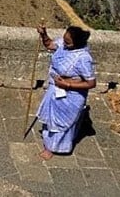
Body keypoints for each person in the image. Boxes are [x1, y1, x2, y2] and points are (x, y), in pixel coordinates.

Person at [35, 24, 96, 160]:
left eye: (68, 42)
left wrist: (66, 84)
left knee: (62, 122)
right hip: (55, 86)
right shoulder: (63, 44)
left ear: (77, 43)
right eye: (64, 39)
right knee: (52, 117)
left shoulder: (83, 58)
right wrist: (43, 34)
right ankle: (49, 142)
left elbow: (91, 83)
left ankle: (53, 148)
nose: (64, 43)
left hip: (71, 93)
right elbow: (50, 45)